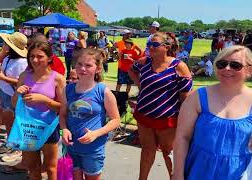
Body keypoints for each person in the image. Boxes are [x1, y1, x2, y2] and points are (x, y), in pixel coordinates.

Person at [173, 45, 252, 180]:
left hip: (237, 173)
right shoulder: (197, 97)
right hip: (198, 170)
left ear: (249, 70)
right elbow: (182, 137)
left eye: (235, 65)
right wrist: (178, 174)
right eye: (221, 64)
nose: (227, 68)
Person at [128, 32, 192, 179]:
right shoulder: (144, 62)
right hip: (144, 115)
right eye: (149, 44)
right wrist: (141, 85)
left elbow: (185, 97)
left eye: (155, 44)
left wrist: (185, 121)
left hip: (167, 119)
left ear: (166, 47)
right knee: (147, 150)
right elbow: (131, 70)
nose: (150, 47)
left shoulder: (179, 66)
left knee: (168, 153)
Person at [60, 48, 120, 180]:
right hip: (71, 147)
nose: (83, 69)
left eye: (88, 65)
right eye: (80, 64)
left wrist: (96, 134)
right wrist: (64, 129)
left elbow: (116, 120)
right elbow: (62, 115)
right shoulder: (67, 89)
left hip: (93, 150)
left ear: (98, 68)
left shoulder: (103, 91)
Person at [12, 41, 66, 180]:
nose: (35, 60)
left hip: (48, 127)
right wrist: (18, 93)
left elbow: (63, 108)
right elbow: (13, 104)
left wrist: (44, 99)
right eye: (32, 56)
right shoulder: (24, 76)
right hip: (28, 128)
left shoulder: (58, 79)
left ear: (49, 58)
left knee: (50, 168)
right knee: (32, 167)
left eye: (40, 56)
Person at [0, 32, 28, 160]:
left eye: (7, 43)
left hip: (14, 95)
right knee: (8, 120)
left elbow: (21, 82)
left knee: (16, 122)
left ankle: (19, 148)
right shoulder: (8, 58)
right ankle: (10, 143)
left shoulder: (22, 62)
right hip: (5, 92)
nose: (4, 44)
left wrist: (3, 78)